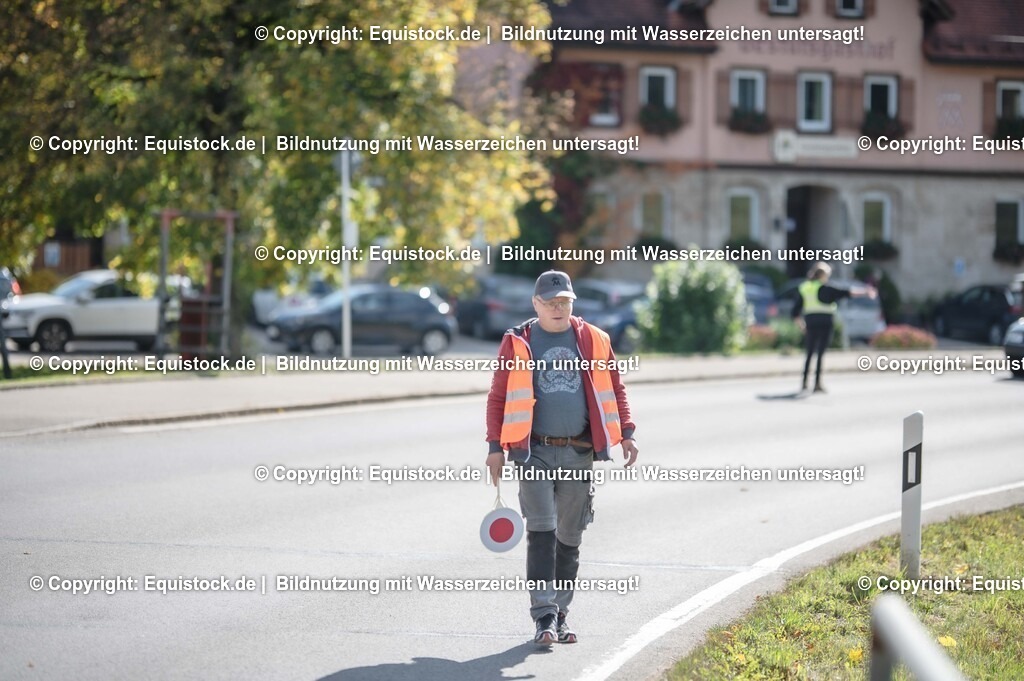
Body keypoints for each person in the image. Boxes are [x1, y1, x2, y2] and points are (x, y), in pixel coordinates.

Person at [485, 270, 638, 646]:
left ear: (572, 302)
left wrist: (627, 433)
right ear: (535, 304)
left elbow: (615, 387)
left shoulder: (595, 341)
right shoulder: (518, 342)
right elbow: (499, 397)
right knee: (541, 531)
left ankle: (562, 613)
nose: (558, 308)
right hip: (533, 451)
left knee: (570, 536)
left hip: (578, 451)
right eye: (551, 302)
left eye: (564, 301)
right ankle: (544, 616)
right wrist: (494, 448)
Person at [792, 262, 876, 393]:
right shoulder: (827, 288)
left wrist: (801, 325)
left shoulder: (805, 288)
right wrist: (866, 292)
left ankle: (804, 383)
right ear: (823, 275)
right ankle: (817, 383)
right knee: (820, 353)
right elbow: (848, 293)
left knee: (809, 353)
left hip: (811, 322)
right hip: (825, 322)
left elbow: (795, 311)